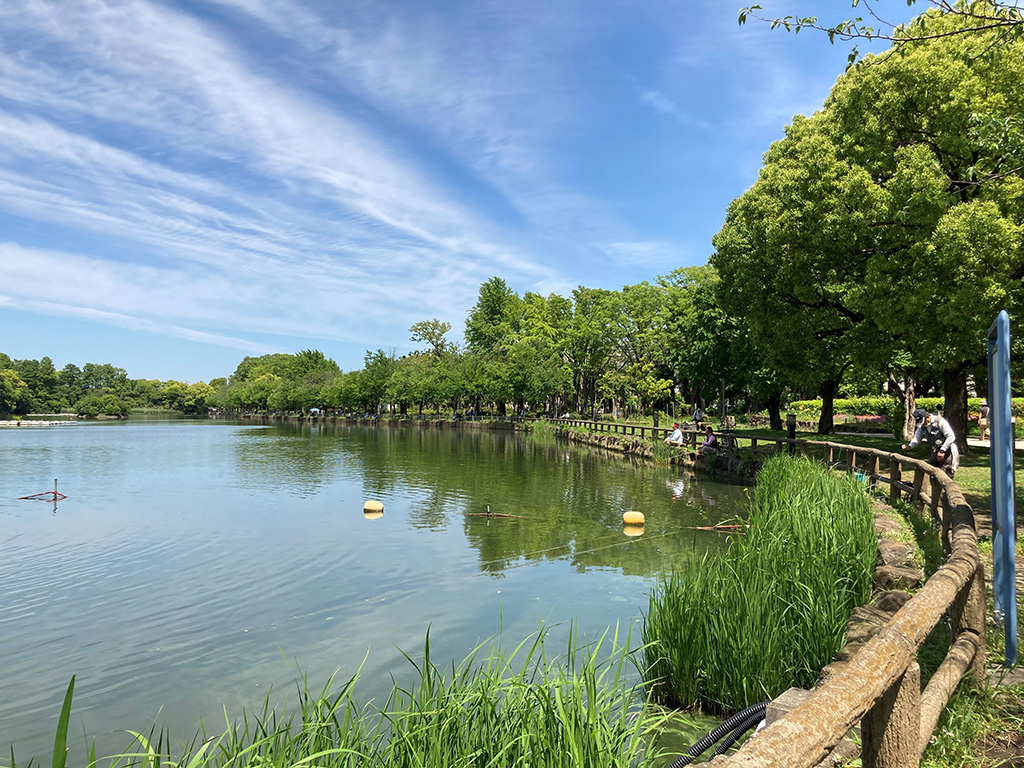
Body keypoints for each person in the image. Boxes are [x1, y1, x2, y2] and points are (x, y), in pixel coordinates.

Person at [902, 408, 959, 478]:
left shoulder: (940, 422)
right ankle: (935, 488)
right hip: (934, 451)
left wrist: (942, 450)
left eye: (923, 421)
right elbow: (917, 438)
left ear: (928, 416)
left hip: (947, 451)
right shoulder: (922, 426)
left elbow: (951, 436)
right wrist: (910, 446)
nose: (922, 424)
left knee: (946, 475)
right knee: (932, 474)